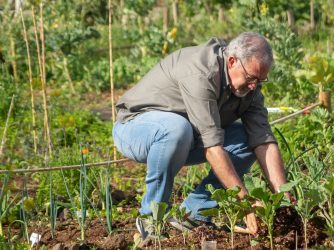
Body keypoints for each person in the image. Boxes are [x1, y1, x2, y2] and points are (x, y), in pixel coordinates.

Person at [112, 32, 290, 239]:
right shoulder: (201, 73)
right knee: (177, 129)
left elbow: (264, 141)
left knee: (246, 139)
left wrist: (283, 198)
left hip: (185, 136)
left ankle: (192, 214)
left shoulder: (250, 90)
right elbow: (213, 149)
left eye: (260, 81)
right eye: (251, 78)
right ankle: (151, 219)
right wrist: (245, 202)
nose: (254, 86)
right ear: (232, 61)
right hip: (136, 128)